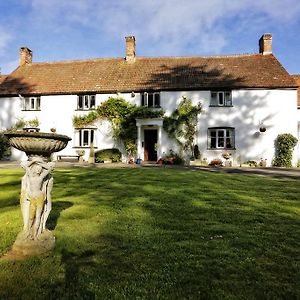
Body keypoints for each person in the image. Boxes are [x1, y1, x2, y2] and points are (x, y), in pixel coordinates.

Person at [20, 158, 54, 240]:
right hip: (33, 198)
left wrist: (40, 163)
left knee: (38, 216)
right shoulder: (30, 176)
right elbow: (25, 166)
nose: (39, 170)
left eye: (40, 169)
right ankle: (28, 231)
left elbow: (49, 169)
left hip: (40, 197)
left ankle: (35, 235)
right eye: (37, 168)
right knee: (31, 217)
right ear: (34, 169)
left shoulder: (41, 177)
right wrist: (33, 161)